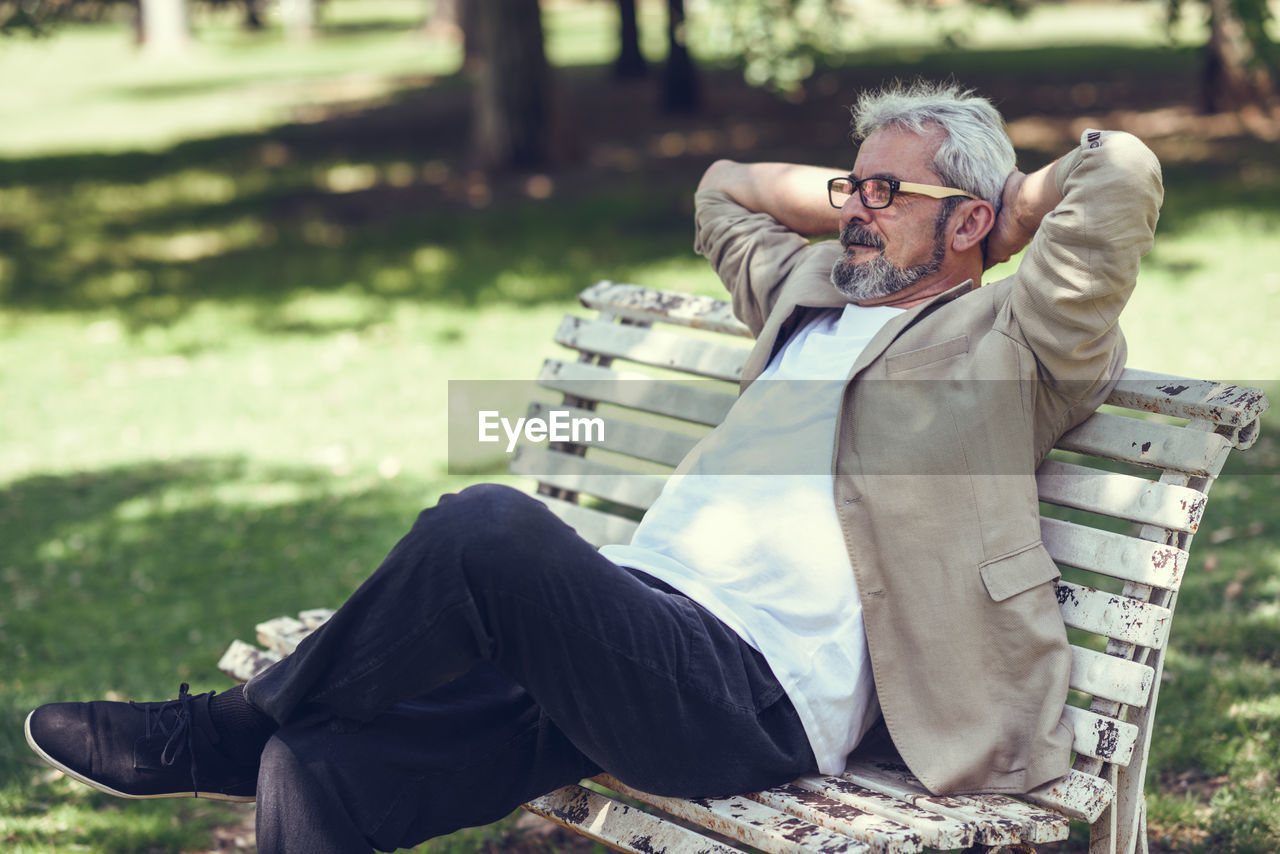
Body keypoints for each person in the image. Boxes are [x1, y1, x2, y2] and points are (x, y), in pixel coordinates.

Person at [24, 80, 1163, 853]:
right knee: (319, 774)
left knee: (485, 526)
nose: (850, 214)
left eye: (880, 195)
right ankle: (255, 746)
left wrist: (1012, 209)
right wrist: (866, 189)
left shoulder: (1015, 345)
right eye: (846, 189)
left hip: (746, 691)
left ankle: (212, 730)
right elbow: (722, 185)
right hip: (631, 632)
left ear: (968, 222)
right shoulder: (811, 292)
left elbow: (1119, 176)